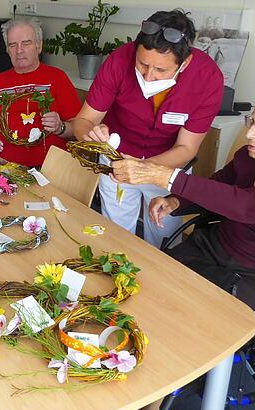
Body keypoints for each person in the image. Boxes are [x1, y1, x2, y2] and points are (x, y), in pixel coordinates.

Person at [111, 82, 255, 310]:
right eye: (251, 122)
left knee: (189, 310)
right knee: (153, 280)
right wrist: (175, 200)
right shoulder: (251, 156)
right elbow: (220, 182)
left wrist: (164, 176)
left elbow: (250, 206)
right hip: (219, 249)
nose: (250, 134)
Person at [70, 9, 224, 247]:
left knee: (163, 242)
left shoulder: (207, 78)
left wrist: (144, 169)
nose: (149, 77)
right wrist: (90, 134)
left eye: (161, 70)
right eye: (142, 64)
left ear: (185, 63)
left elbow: (186, 148)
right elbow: (83, 121)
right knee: (115, 240)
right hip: (116, 163)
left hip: (166, 166)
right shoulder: (119, 60)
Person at [0, 17, 81, 167]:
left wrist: (60, 127)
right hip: (1, 167)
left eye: (26, 43)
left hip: (47, 170)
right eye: (12, 45)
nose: (19, 50)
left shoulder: (57, 78)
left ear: (39, 46)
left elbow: (78, 129)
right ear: (7, 50)